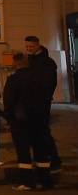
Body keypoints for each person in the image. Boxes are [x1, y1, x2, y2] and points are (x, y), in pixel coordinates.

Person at [4, 52, 53, 190]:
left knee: (23, 151)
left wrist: (9, 118)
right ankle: (45, 180)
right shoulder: (39, 78)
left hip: (21, 120)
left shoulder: (13, 79)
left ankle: (27, 182)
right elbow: (46, 96)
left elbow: (9, 101)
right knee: (41, 150)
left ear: (15, 63)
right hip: (40, 119)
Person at [24, 35, 61, 173]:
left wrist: (42, 97)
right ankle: (42, 158)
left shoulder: (47, 62)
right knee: (35, 132)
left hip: (41, 103)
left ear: (38, 45)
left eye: (31, 47)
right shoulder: (30, 60)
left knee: (43, 131)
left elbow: (50, 84)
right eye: (27, 47)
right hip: (31, 103)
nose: (28, 49)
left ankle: (54, 159)